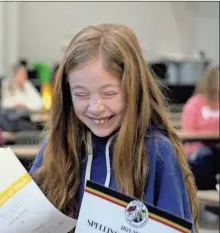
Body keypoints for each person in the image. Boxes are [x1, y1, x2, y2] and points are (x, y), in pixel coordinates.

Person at [30, 24, 199, 231]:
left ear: (134, 89)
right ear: (67, 94)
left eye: (109, 93)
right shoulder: (54, 147)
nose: (96, 107)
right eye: (81, 94)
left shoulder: (157, 152)